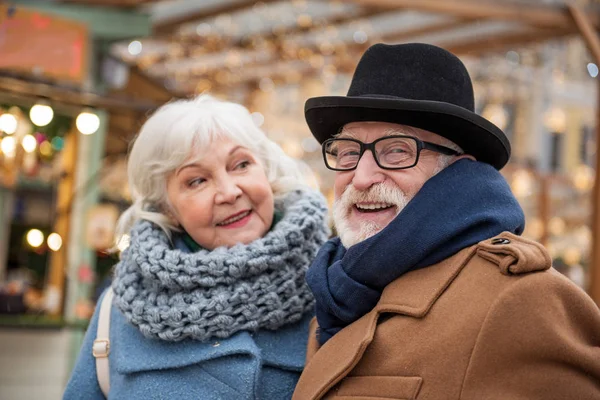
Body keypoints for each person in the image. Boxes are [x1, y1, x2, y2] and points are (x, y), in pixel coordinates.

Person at [292, 43, 600, 400]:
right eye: (348, 152)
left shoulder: (520, 301)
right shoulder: (334, 296)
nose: (360, 177)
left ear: (456, 168)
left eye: (396, 150)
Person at [64, 95, 330, 400]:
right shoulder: (121, 307)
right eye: (197, 181)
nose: (229, 192)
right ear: (167, 209)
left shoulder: (334, 285)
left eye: (241, 164)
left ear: (266, 171)